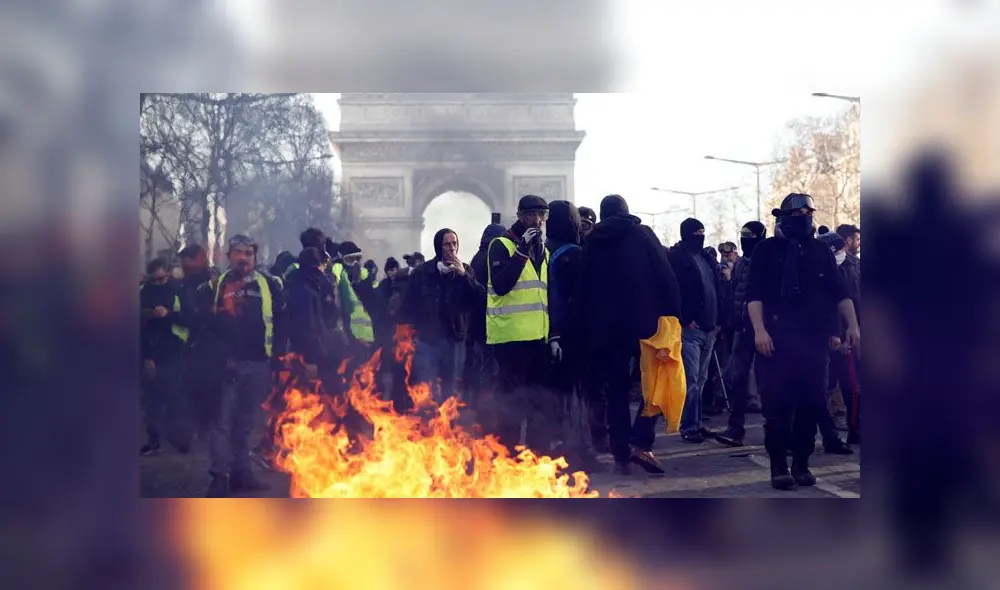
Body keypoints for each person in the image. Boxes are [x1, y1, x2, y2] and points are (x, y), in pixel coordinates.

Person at [747, 194, 860, 490]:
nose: (806, 217)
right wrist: (759, 330)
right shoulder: (766, 251)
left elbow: (840, 293)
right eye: (799, 213)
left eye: (809, 212)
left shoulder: (820, 251)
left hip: (813, 341)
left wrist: (852, 326)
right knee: (778, 406)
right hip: (776, 340)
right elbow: (754, 295)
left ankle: (801, 463)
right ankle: (778, 466)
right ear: (784, 217)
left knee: (811, 404)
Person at [583, 194, 682, 475]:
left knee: (616, 392)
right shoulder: (642, 234)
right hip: (645, 326)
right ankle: (641, 442)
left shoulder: (592, 242)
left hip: (607, 331)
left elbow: (586, 290)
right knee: (656, 384)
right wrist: (674, 315)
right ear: (626, 211)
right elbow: (665, 276)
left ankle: (620, 456)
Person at [201, 234, 285, 497]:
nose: (243, 257)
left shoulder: (268, 284)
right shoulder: (216, 286)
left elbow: (279, 324)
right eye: (238, 252)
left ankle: (242, 474)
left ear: (254, 257)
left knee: (246, 423)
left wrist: (279, 360)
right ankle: (219, 477)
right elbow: (208, 326)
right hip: (229, 365)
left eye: (248, 253)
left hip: (259, 363)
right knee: (222, 424)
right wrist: (221, 358)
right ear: (229, 256)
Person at [486, 195, 560, 456]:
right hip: (509, 339)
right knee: (512, 405)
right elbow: (502, 285)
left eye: (543, 215)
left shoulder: (546, 250)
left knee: (539, 403)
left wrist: (554, 336)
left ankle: (538, 459)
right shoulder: (501, 245)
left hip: (538, 339)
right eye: (532, 215)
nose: (538, 220)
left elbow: (547, 296)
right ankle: (508, 458)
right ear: (519, 215)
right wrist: (521, 252)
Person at [544, 200, 598, 470]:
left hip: (547, 332)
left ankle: (556, 449)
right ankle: (580, 453)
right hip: (574, 334)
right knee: (578, 395)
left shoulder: (542, 252)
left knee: (556, 395)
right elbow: (582, 299)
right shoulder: (576, 255)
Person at [403, 228, 484, 404]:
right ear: (438, 247)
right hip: (427, 340)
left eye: (454, 244)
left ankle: (448, 428)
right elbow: (409, 305)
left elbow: (480, 298)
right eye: (447, 244)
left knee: (451, 389)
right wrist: (411, 335)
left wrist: (464, 276)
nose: (451, 248)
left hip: (455, 339)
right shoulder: (422, 272)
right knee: (426, 388)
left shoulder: (465, 271)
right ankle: (427, 426)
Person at [667, 218, 722, 443]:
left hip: (710, 328)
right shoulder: (678, 258)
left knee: (700, 379)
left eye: (703, 231)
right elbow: (672, 289)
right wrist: (684, 318)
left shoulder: (706, 258)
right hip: (691, 329)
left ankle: (697, 423)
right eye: (697, 232)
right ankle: (689, 426)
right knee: (690, 381)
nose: (701, 235)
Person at [715, 222, 767, 447]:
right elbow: (734, 293)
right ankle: (735, 428)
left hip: (765, 329)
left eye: (749, 236)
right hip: (742, 328)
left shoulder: (767, 259)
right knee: (738, 378)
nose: (745, 240)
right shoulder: (742, 262)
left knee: (768, 380)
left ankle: (776, 430)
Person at [140, 258, 191, 455]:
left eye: (162, 279)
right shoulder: (143, 292)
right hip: (152, 350)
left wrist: (168, 314)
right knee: (152, 398)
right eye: (155, 280)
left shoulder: (179, 290)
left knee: (176, 396)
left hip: (175, 350)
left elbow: (190, 318)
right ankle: (154, 439)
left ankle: (180, 438)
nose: (159, 284)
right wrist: (146, 357)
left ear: (167, 275)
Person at [465, 223, 506, 415]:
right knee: (491, 370)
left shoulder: (475, 259)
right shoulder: (495, 256)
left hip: (476, 324)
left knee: (481, 365)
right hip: (493, 323)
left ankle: (477, 405)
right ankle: (488, 410)